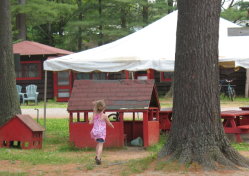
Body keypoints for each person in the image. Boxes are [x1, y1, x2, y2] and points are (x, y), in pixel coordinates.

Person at [89, 100, 114, 165]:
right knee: (101, 145)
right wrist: (112, 126)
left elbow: (90, 122)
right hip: (101, 133)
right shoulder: (104, 116)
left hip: (95, 132)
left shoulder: (94, 115)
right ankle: (98, 158)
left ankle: (97, 156)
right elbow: (109, 123)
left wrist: (93, 119)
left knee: (98, 143)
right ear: (104, 108)